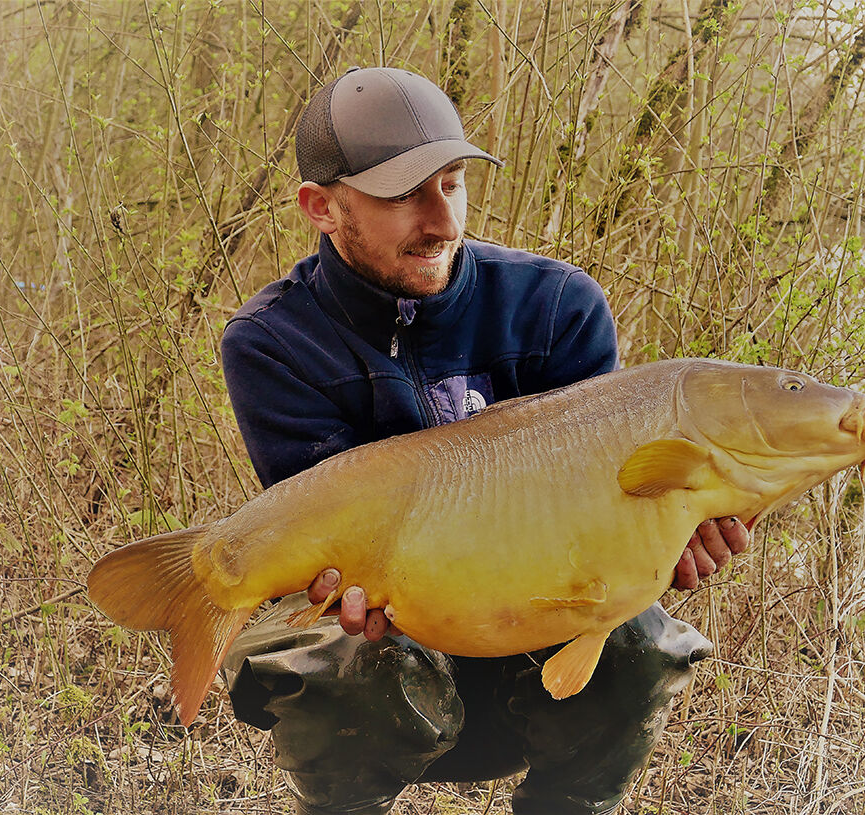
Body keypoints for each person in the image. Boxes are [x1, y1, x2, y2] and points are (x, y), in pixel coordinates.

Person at [219, 66, 748, 815]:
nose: (441, 219)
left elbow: (613, 511)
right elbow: (330, 550)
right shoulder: (271, 341)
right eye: (404, 194)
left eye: (454, 181)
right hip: (389, 644)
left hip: (531, 628)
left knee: (640, 638)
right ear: (322, 207)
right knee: (338, 660)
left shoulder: (558, 305)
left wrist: (664, 544)